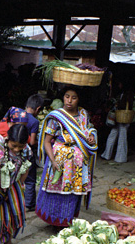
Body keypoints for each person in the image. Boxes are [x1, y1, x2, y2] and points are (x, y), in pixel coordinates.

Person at [35, 86, 98, 227]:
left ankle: (68, 220)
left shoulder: (83, 114)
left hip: (78, 161)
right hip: (61, 160)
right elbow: (46, 142)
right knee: (58, 190)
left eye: (74, 97)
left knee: (73, 192)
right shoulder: (56, 117)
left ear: (79, 99)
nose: (69, 101)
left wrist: (91, 137)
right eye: (67, 96)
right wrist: (53, 161)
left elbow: (88, 130)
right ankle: (55, 221)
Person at [101, 83, 133, 163]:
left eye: (120, 84)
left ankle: (117, 157)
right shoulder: (121, 94)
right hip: (119, 118)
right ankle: (111, 156)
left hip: (123, 118)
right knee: (116, 135)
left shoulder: (127, 95)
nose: (119, 85)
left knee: (119, 136)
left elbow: (126, 105)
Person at [23, 94, 44, 210]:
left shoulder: (18, 114)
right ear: (38, 109)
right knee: (30, 179)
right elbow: (32, 142)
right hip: (27, 153)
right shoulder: (34, 122)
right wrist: (41, 143)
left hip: (15, 151)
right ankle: (29, 204)